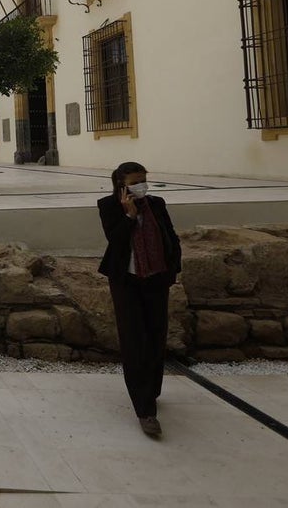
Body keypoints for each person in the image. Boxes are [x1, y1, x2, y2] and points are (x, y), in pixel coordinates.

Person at [97, 161, 182, 437]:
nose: (142, 185)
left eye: (144, 179)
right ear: (121, 185)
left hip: (157, 279)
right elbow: (116, 240)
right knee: (134, 341)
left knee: (156, 336)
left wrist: (172, 269)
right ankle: (145, 411)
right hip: (127, 282)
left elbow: (171, 237)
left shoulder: (157, 204)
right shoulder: (109, 206)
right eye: (136, 181)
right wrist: (129, 216)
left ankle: (152, 390)